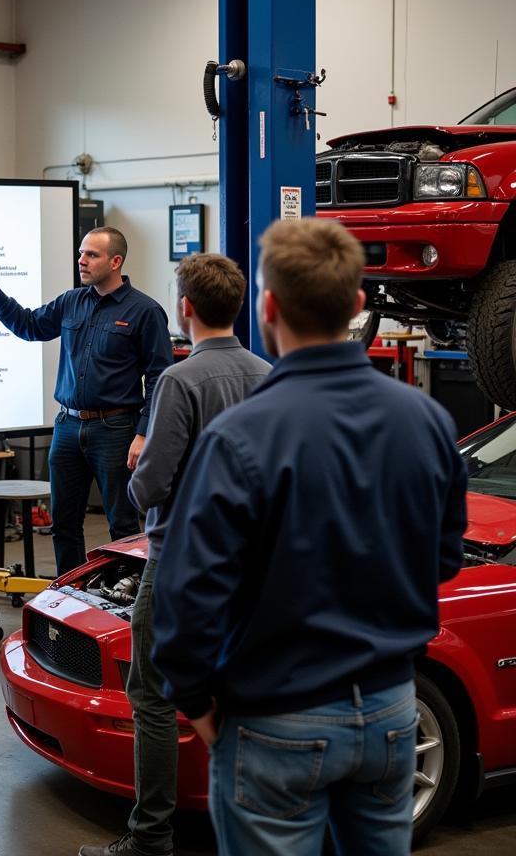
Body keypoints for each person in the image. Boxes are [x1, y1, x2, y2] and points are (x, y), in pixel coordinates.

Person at [151, 218, 468, 856]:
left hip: (275, 718)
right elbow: (442, 557)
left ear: (268, 308)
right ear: (356, 306)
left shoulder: (240, 437)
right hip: (391, 714)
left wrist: (196, 700)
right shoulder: (428, 421)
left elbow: (188, 596)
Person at [79, 253, 270, 856]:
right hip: (252, 562)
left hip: (182, 560)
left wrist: (134, 479)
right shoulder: (267, 375)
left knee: (153, 696)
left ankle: (150, 837)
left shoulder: (180, 381)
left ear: (185, 308)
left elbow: (153, 482)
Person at [0, 227, 171, 574]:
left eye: (92, 255)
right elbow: (30, 325)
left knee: (122, 525)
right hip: (68, 427)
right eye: (81, 253)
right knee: (64, 525)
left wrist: (144, 433)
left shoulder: (145, 311)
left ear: (116, 261)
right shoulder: (72, 301)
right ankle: (70, 601)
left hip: (116, 429)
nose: (82, 261)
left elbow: (161, 377)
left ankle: (125, 603)